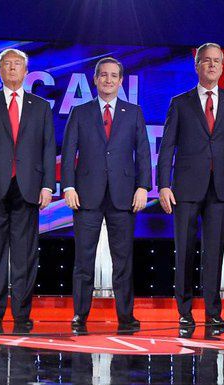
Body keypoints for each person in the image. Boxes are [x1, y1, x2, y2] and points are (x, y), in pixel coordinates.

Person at [157, 43, 224, 335]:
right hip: (185, 189)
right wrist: (163, 185)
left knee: (214, 253)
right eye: (206, 60)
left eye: (216, 61)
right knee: (184, 252)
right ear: (196, 65)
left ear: (222, 66)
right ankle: (184, 312)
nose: (212, 65)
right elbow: (167, 147)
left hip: (220, 188)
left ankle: (213, 313)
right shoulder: (180, 103)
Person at [0, 49, 56, 333]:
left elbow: (48, 147)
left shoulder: (40, 106)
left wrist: (47, 185)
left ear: (26, 71)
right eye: (7, 64)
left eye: (17, 64)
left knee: (24, 255)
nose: (12, 68)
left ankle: (21, 313)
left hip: (28, 188)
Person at [61, 57, 151, 333]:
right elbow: (68, 152)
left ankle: (126, 316)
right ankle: (80, 315)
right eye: (104, 75)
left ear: (121, 81)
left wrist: (143, 187)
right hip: (86, 195)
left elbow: (143, 152)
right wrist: (68, 186)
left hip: (123, 196)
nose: (109, 80)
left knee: (123, 260)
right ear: (95, 79)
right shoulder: (80, 112)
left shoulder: (133, 112)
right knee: (83, 260)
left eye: (114, 75)